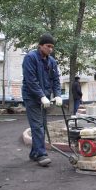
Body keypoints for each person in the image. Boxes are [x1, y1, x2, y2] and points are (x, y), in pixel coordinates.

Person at [22, 33, 62, 167]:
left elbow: (56, 80)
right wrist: (41, 96)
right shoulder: (30, 58)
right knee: (37, 126)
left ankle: (34, 153)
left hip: (44, 98)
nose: (50, 49)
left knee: (42, 125)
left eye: (52, 47)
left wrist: (58, 95)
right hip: (32, 98)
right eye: (48, 46)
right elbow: (30, 80)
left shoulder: (52, 61)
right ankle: (41, 154)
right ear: (40, 46)